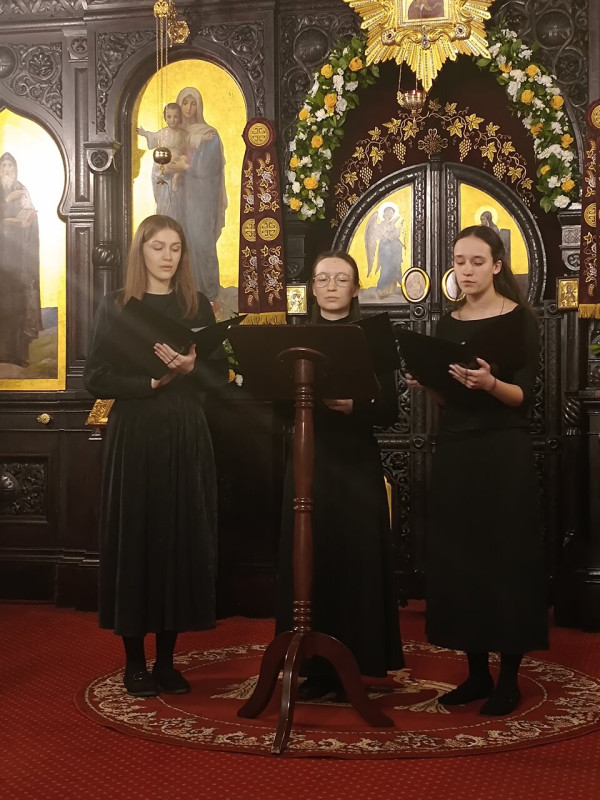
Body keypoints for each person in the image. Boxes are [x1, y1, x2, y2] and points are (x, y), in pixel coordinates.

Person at [84, 214, 228, 698]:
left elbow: (219, 376)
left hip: (185, 429)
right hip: (136, 432)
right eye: (157, 247)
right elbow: (95, 377)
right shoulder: (117, 304)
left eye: (175, 248)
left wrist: (190, 367)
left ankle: (166, 662)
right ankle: (134, 663)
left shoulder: (196, 305)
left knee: (179, 540)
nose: (167, 256)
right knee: (137, 539)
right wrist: (147, 382)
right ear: (140, 251)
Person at [406, 225, 548, 716]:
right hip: (458, 449)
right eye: (459, 261)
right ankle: (476, 674)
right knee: (463, 560)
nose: (465, 270)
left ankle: (507, 679)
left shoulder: (520, 319)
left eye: (476, 261)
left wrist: (490, 383)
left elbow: (525, 397)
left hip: (503, 450)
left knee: (505, 559)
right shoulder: (447, 325)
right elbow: (450, 400)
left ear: (496, 266)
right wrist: (428, 384)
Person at [276, 251, 404, 701]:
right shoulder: (295, 337)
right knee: (311, 557)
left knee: (355, 557)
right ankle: (313, 667)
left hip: (354, 459)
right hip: (307, 461)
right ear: (312, 288)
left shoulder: (373, 335)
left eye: (341, 279)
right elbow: (275, 403)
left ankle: (358, 662)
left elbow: (390, 409)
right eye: (323, 279)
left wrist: (355, 406)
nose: (331, 286)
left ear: (355, 288)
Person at [168, 86, 227, 303]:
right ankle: (181, 296)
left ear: (200, 106)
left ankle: (209, 297)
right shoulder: (172, 135)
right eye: (185, 103)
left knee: (202, 244)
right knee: (179, 244)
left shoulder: (210, 134)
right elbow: (160, 167)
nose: (189, 108)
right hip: (177, 199)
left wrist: (186, 168)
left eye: (193, 103)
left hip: (201, 199)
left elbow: (210, 168)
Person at [0, 152, 42, 368]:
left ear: (15, 168)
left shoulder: (22, 189)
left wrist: (27, 220)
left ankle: (18, 354)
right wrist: (8, 201)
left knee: (19, 303)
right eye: (4, 165)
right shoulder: (5, 193)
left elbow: (30, 216)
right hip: (1, 256)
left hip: (18, 256)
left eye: (10, 165)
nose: (7, 169)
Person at [137, 102, 190, 205]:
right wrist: (145, 134)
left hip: (177, 160)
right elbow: (153, 138)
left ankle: (176, 178)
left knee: (184, 159)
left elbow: (190, 144)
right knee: (163, 175)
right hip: (165, 161)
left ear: (180, 117)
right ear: (165, 118)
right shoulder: (163, 132)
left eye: (175, 116)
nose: (172, 120)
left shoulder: (183, 133)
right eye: (169, 117)